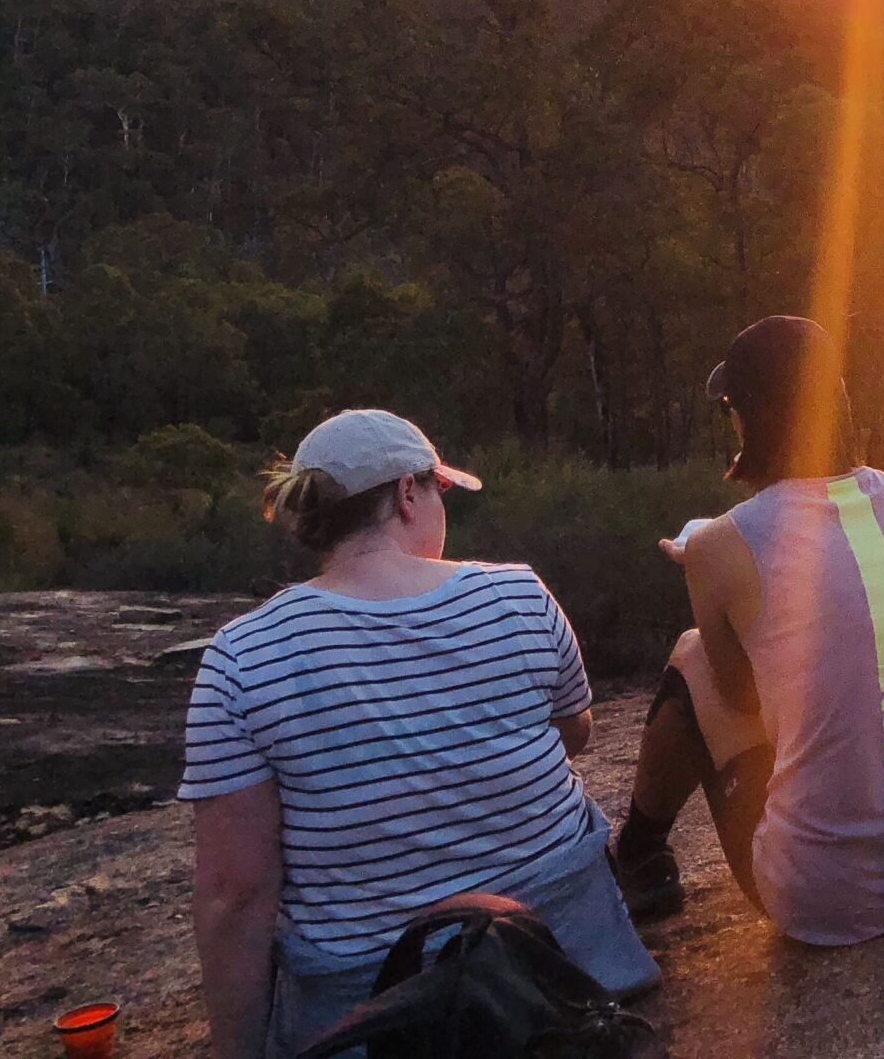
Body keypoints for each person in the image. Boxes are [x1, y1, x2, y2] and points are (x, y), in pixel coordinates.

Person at [182, 409, 654, 1059]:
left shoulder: (244, 656)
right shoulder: (519, 595)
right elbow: (575, 733)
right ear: (408, 493)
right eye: (440, 490)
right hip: (576, 976)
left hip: (375, 1023)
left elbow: (235, 897)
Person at [608, 314, 884, 946]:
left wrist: (708, 563)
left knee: (691, 652)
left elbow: (741, 700)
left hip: (826, 895)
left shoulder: (719, 543)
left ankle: (639, 857)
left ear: (747, 418)